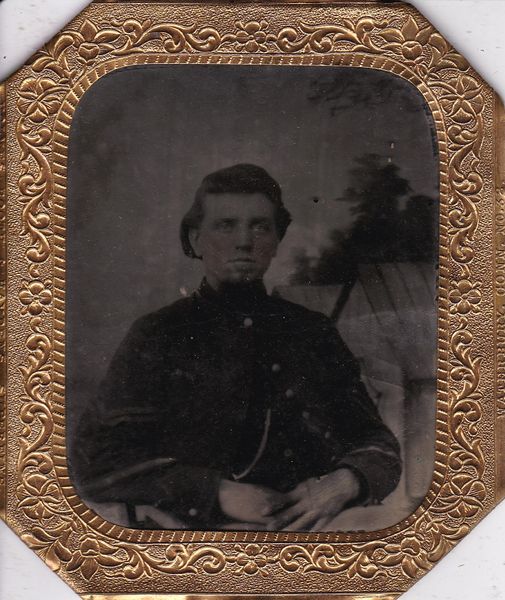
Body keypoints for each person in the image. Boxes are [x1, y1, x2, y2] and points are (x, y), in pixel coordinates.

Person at [71, 163, 401, 531]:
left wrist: (346, 482)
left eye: (260, 226)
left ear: (276, 240)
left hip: (308, 536)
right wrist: (214, 492)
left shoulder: (313, 332)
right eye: (225, 225)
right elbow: (94, 461)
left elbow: (376, 442)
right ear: (195, 239)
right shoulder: (158, 334)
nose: (244, 241)